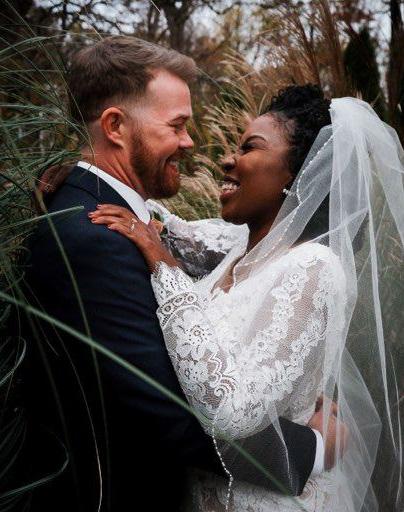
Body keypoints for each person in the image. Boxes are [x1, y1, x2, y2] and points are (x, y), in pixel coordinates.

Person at [19, 38, 337, 512]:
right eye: (177, 125)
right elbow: (164, 412)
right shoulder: (96, 236)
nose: (191, 142)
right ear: (115, 127)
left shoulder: (125, 222)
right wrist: (312, 449)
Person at [89, 85, 404, 511]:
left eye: (249, 148)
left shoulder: (313, 268)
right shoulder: (237, 247)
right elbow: (156, 223)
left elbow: (233, 414)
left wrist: (164, 267)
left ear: (297, 173)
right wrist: (83, 178)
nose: (227, 159)